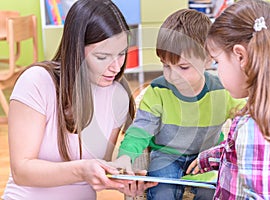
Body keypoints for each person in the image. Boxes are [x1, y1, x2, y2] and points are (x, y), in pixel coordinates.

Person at [1, 0, 157, 199]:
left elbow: (97, 172)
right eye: (102, 57)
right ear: (76, 50)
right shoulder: (37, 82)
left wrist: (120, 180)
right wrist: (81, 170)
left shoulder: (117, 95)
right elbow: (21, 171)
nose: (116, 67)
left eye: (122, 54)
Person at [113, 9, 245, 200]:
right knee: (161, 192)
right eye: (166, 65)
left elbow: (249, 113)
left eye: (183, 67)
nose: (172, 75)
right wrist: (125, 157)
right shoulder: (157, 92)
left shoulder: (223, 90)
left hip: (206, 158)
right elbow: (139, 131)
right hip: (166, 156)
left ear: (209, 59)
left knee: (211, 192)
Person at [186, 0, 270, 199]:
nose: (217, 70)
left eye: (217, 61)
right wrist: (210, 158)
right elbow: (242, 152)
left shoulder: (255, 128)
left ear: (241, 56)